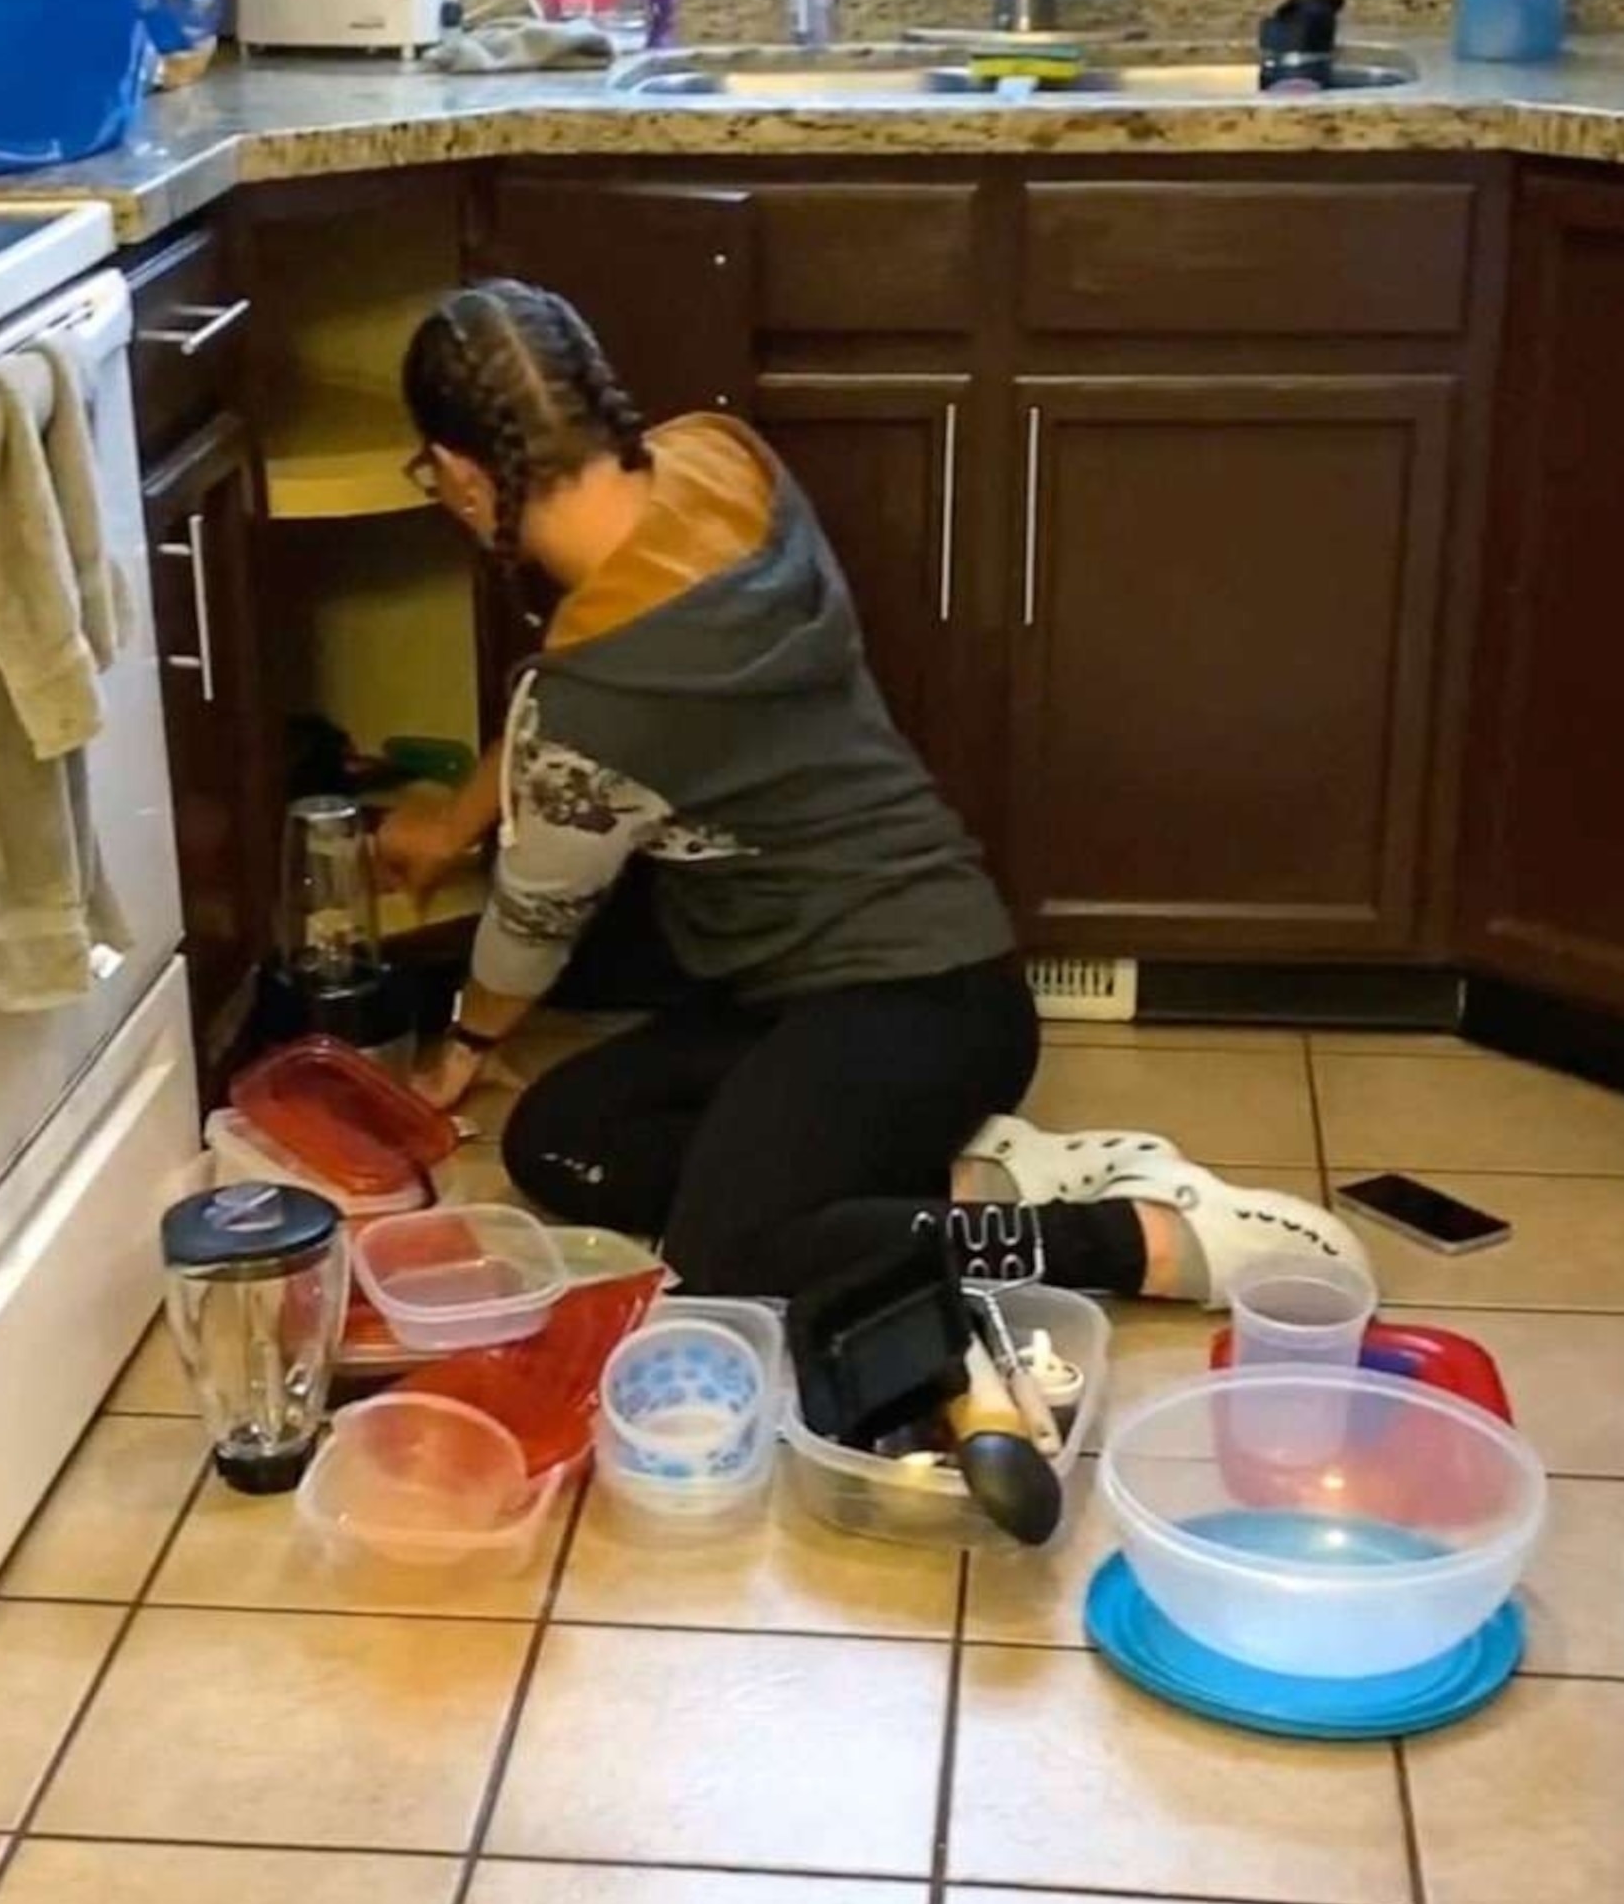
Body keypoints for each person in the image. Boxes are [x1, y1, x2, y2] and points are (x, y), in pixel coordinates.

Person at [379, 279, 1364, 1307]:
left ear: (460, 474)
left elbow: (535, 915)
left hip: (905, 1006)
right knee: (563, 1143)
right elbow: (566, 723)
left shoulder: (599, 702)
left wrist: (462, 1049)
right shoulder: (723, 465)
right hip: (872, 994)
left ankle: (1124, 1241)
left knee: (727, 1255)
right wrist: (457, 821)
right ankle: (973, 1183)